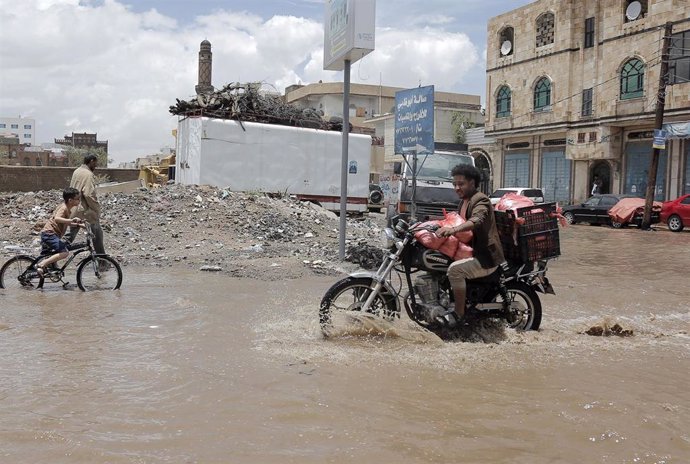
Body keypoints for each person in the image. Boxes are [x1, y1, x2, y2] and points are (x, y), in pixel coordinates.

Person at [436, 164, 506, 327]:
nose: (457, 188)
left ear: (472, 183)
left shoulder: (480, 200)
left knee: (455, 270)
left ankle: (458, 314)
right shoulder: (464, 201)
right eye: (454, 184)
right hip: (472, 252)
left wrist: (452, 230)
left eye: (461, 184)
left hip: (486, 257)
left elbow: (476, 220)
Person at [35, 188, 85, 276]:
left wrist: (78, 225)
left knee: (50, 260)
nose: (79, 200)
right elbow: (57, 219)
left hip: (51, 234)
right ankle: (42, 264)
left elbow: (64, 222)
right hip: (49, 234)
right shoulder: (64, 208)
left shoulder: (67, 208)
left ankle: (41, 269)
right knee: (64, 252)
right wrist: (71, 220)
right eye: (77, 199)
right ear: (70, 200)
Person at [65, 153, 106, 254]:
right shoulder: (88, 174)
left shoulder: (77, 171)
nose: (96, 166)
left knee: (70, 235)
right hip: (84, 210)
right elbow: (88, 194)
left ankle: (54, 254)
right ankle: (102, 261)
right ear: (91, 161)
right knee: (97, 233)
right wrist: (96, 209)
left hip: (73, 208)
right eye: (95, 163)